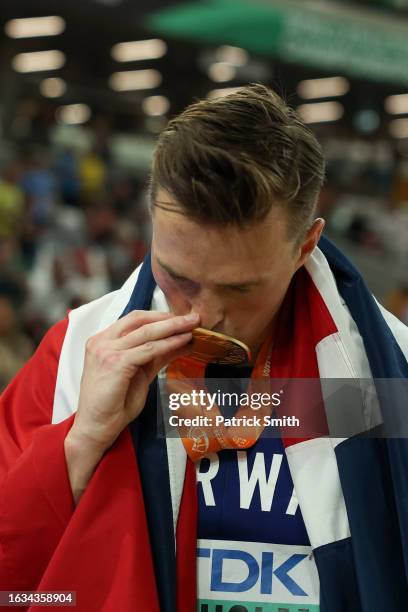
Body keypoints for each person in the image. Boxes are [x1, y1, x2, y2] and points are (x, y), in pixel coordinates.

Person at [1, 84, 408, 612]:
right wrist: (79, 444)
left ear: (305, 244)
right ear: (151, 221)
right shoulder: (78, 352)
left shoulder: (388, 370)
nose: (204, 315)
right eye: (178, 276)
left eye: (240, 288)